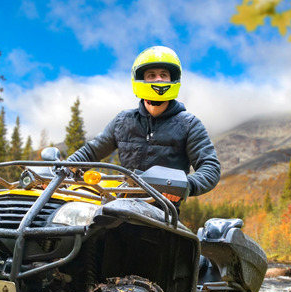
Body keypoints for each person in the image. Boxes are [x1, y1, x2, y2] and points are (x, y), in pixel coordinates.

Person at [67, 46, 220, 202]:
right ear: (141, 79)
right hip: (119, 206)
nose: (158, 79)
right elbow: (90, 152)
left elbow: (210, 168)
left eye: (164, 75)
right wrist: (62, 171)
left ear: (172, 79)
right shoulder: (123, 121)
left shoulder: (189, 125)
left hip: (162, 212)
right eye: (151, 75)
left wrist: (185, 185)